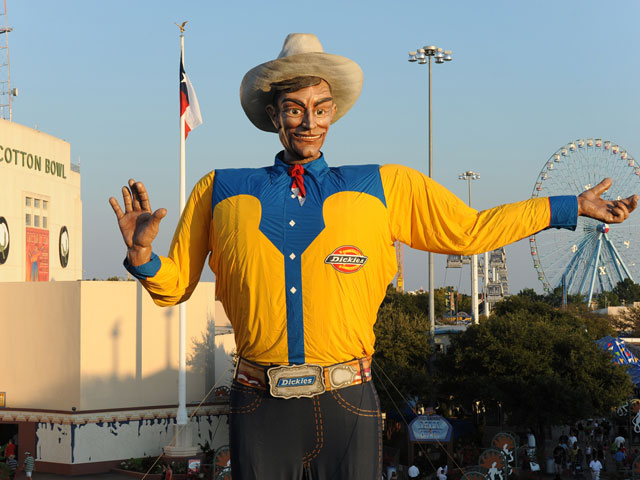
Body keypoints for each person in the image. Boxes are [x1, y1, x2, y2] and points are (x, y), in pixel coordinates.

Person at [109, 33, 638, 480]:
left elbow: (470, 230)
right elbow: (175, 286)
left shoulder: (381, 187)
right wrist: (143, 256)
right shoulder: (220, 191)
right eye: (294, 109)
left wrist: (569, 206)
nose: (308, 122)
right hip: (259, 405)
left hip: (350, 402)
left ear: (333, 111)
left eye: (319, 108)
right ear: (273, 115)